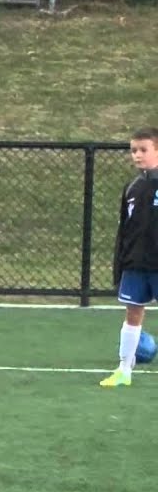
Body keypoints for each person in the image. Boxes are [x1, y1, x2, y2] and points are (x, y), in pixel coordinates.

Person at [101, 127, 158, 387]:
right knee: (133, 313)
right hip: (136, 263)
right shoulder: (132, 188)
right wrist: (120, 262)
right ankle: (124, 369)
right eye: (133, 150)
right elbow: (125, 229)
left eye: (143, 150)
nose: (137, 155)